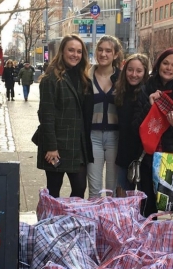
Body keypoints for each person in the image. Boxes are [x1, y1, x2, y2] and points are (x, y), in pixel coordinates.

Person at [133, 48, 173, 218]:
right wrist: (150, 104)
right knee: (147, 209)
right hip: (149, 158)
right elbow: (136, 125)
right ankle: (149, 243)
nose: (169, 68)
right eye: (165, 63)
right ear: (158, 64)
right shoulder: (146, 89)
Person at [37, 34, 93, 198]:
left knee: (80, 187)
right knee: (54, 190)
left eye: (79, 51)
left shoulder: (83, 78)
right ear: (62, 52)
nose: (75, 54)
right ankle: (51, 221)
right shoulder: (51, 79)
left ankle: (69, 221)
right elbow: (46, 115)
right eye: (71, 50)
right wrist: (51, 147)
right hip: (57, 146)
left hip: (77, 145)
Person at [87, 35, 123, 197]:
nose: (103, 54)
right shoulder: (86, 76)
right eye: (100, 50)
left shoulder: (123, 78)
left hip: (115, 137)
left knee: (112, 191)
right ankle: (94, 222)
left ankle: (109, 222)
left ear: (115, 54)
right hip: (92, 136)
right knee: (94, 191)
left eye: (108, 51)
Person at [114, 53, 150, 192]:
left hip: (143, 154)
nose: (134, 74)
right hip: (124, 152)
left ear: (145, 72)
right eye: (130, 69)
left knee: (143, 199)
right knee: (122, 197)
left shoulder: (147, 92)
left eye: (139, 71)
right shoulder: (120, 91)